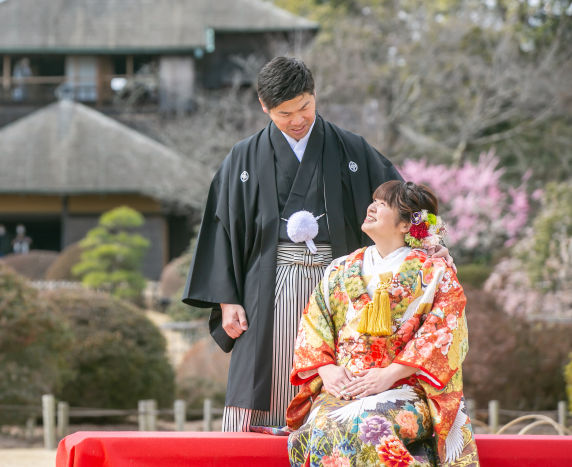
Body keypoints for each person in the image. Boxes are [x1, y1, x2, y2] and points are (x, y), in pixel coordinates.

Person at [182, 57, 451, 431]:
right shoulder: (243, 157)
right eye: (284, 112)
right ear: (264, 107)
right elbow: (221, 227)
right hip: (269, 284)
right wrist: (228, 300)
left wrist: (431, 237)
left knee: (341, 381)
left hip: (342, 285)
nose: (297, 119)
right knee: (263, 375)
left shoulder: (351, 149)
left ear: (315, 95)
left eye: (305, 106)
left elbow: (403, 199)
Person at [286, 181, 479, 467]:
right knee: (320, 428)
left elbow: (444, 333)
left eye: (383, 204)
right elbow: (314, 323)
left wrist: (390, 374)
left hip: (406, 388)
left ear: (405, 225)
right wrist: (327, 370)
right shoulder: (341, 268)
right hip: (345, 385)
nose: (372, 207)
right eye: (373, 200)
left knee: (368, 425)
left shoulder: (436, 271)